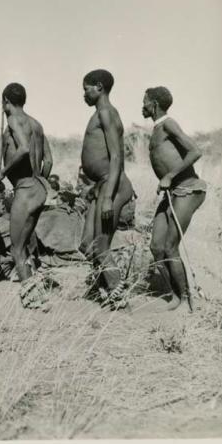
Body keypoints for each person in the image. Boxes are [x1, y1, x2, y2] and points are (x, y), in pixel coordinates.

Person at [142, 86, 206, 312]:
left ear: (155, 104)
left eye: (145, 101)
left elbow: (195, 151)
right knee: (156, 247)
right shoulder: (157, 128)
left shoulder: (169, 123)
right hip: (172, 193)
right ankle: (174, 295)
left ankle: (188, 302)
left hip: (188, 190)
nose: (143, 105)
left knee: (170, 246)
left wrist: (169, 175)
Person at [0, 82, 54, 309]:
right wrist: (41, 181)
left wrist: (2, 172)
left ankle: (34, 300)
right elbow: (48, 160)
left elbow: (23, 150)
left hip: (25, 189)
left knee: (16, 248)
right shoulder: (36, 124)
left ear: (6, 101)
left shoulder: (12, 120)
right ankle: (35, 289)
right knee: (25, 245)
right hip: (39, 187)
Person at [79, 69, 134, 308]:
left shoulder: (106, 113)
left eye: (86, 88)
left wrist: (108, 197)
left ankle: (118, 293)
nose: (83, 94)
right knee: (87, 244)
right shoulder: (101, 113)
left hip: (113, 186)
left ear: (99, 87)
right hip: (102, 186)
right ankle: (104, 289)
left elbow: (115, 159)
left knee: (101, 246)